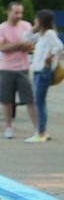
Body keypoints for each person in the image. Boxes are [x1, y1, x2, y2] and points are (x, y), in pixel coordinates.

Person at [0, 1, 37, 139]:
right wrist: (19, 44)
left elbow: (30, 46)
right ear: (8, 12)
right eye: (16, 12)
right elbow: (2, 47)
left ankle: (37, 128)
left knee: (30, 99)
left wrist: (15, 46)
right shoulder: (0, 28)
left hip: (23, 67)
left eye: (20, 13)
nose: (19, 15)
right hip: (6, 68)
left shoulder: (26, 26)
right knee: (7, 100)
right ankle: (8, 127)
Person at [27, 9, 62, 143]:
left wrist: (50, 55)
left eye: (36, 19)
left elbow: (59, 46)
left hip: (43, 71)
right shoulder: (41, 35)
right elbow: (26, 37)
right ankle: (42, 131)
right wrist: (33, 29)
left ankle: (41, 132)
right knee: (39, 102)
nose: (34, 21)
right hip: (38, 71)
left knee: (39, 102)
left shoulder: (49, 34)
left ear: (41, 20)